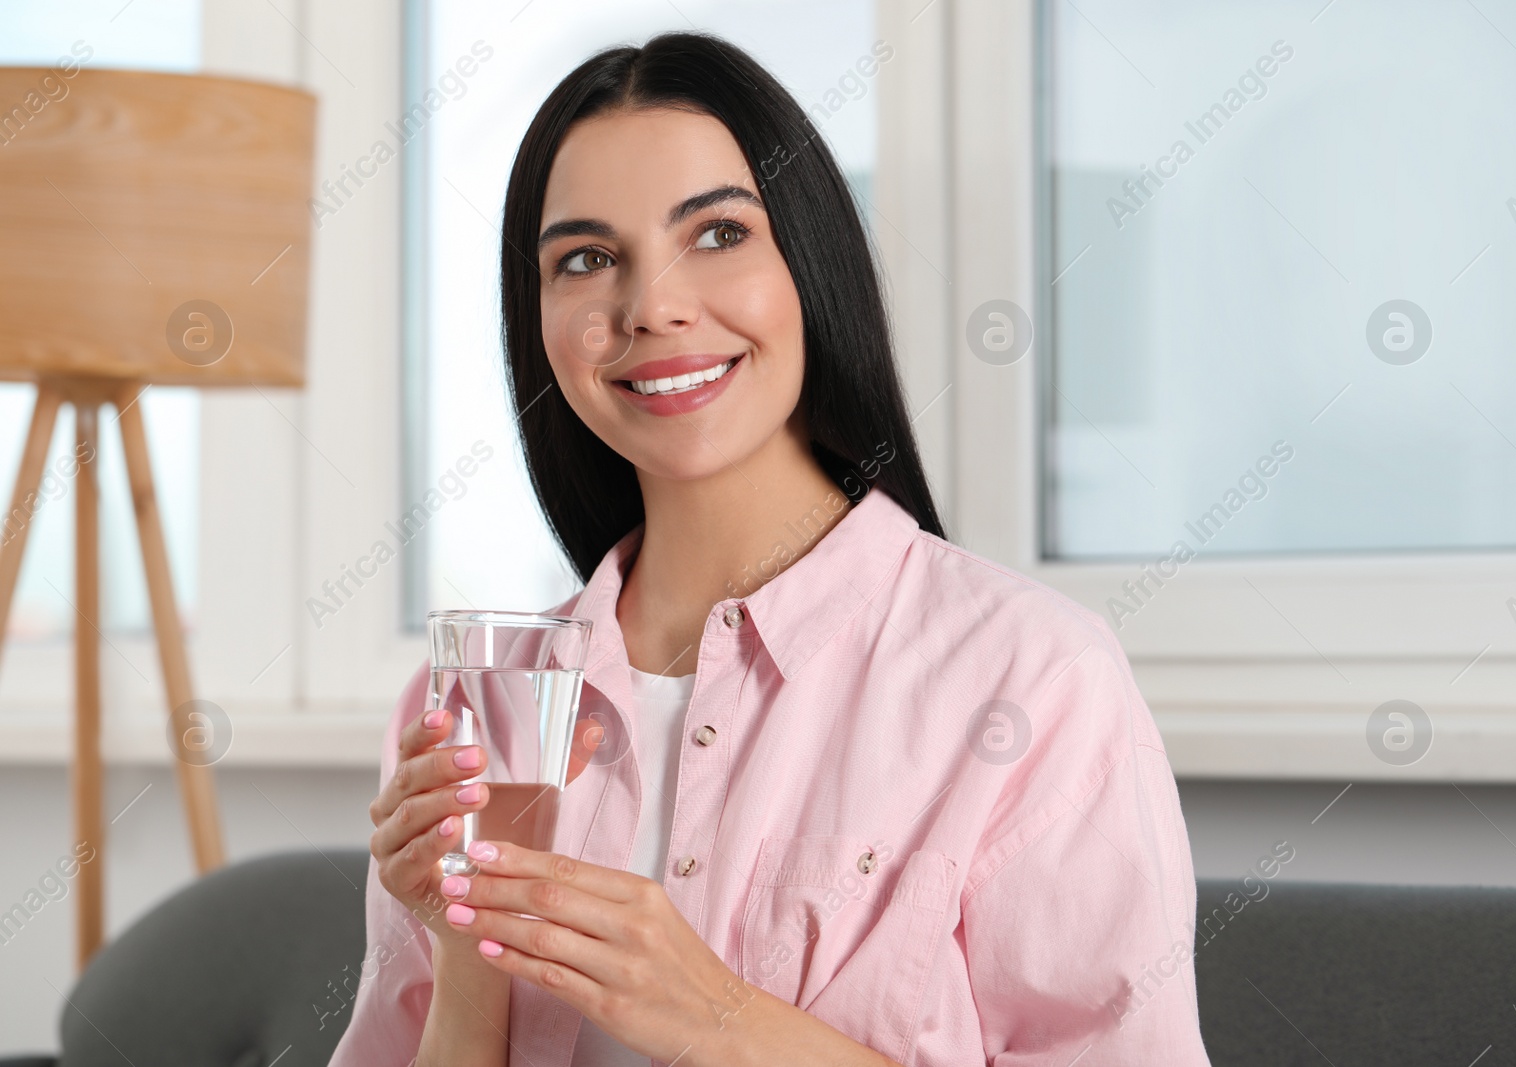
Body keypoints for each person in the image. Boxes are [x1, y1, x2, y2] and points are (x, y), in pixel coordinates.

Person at [330, 30, 1212, 1067]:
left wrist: (716, 1018)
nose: (650, 305)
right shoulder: (478, 703)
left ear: (809, 261)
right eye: (585, 258)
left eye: (715, 234)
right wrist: (467, 950)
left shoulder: (1031, 677)